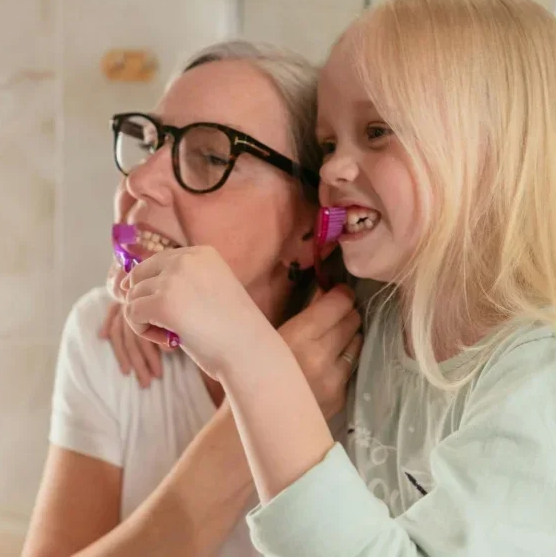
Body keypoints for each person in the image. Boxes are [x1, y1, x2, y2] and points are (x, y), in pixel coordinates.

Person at [119, 0, 556, 556]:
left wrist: (250, 359)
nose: (335, 169)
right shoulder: (387, 316)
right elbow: (271, 284)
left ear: (494, 158)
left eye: (376, 132)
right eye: (327, 144)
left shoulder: (553, 375)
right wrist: (137, 291)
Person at [22, 40, 362, 557]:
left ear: (307, 227)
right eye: (151, 142)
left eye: (209, 157)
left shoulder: (372, 370)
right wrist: (266, 393)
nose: (138, 180)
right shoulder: (107, 337)